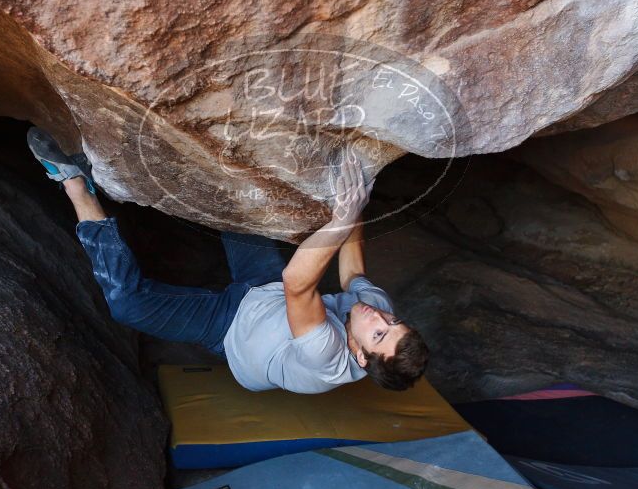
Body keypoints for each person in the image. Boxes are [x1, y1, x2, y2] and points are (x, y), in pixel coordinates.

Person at [27, 127, 430, 394]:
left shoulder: (327, 357)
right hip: (265, 290)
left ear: (359, 355)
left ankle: (75, 183)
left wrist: (340, 219)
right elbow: (353, 273)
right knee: (231, 196)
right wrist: (356, 200)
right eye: (392, 322)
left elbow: (298, 283)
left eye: (378, 334)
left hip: (227, 329)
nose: (380, 319)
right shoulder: (378, 312)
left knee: (126, 304)